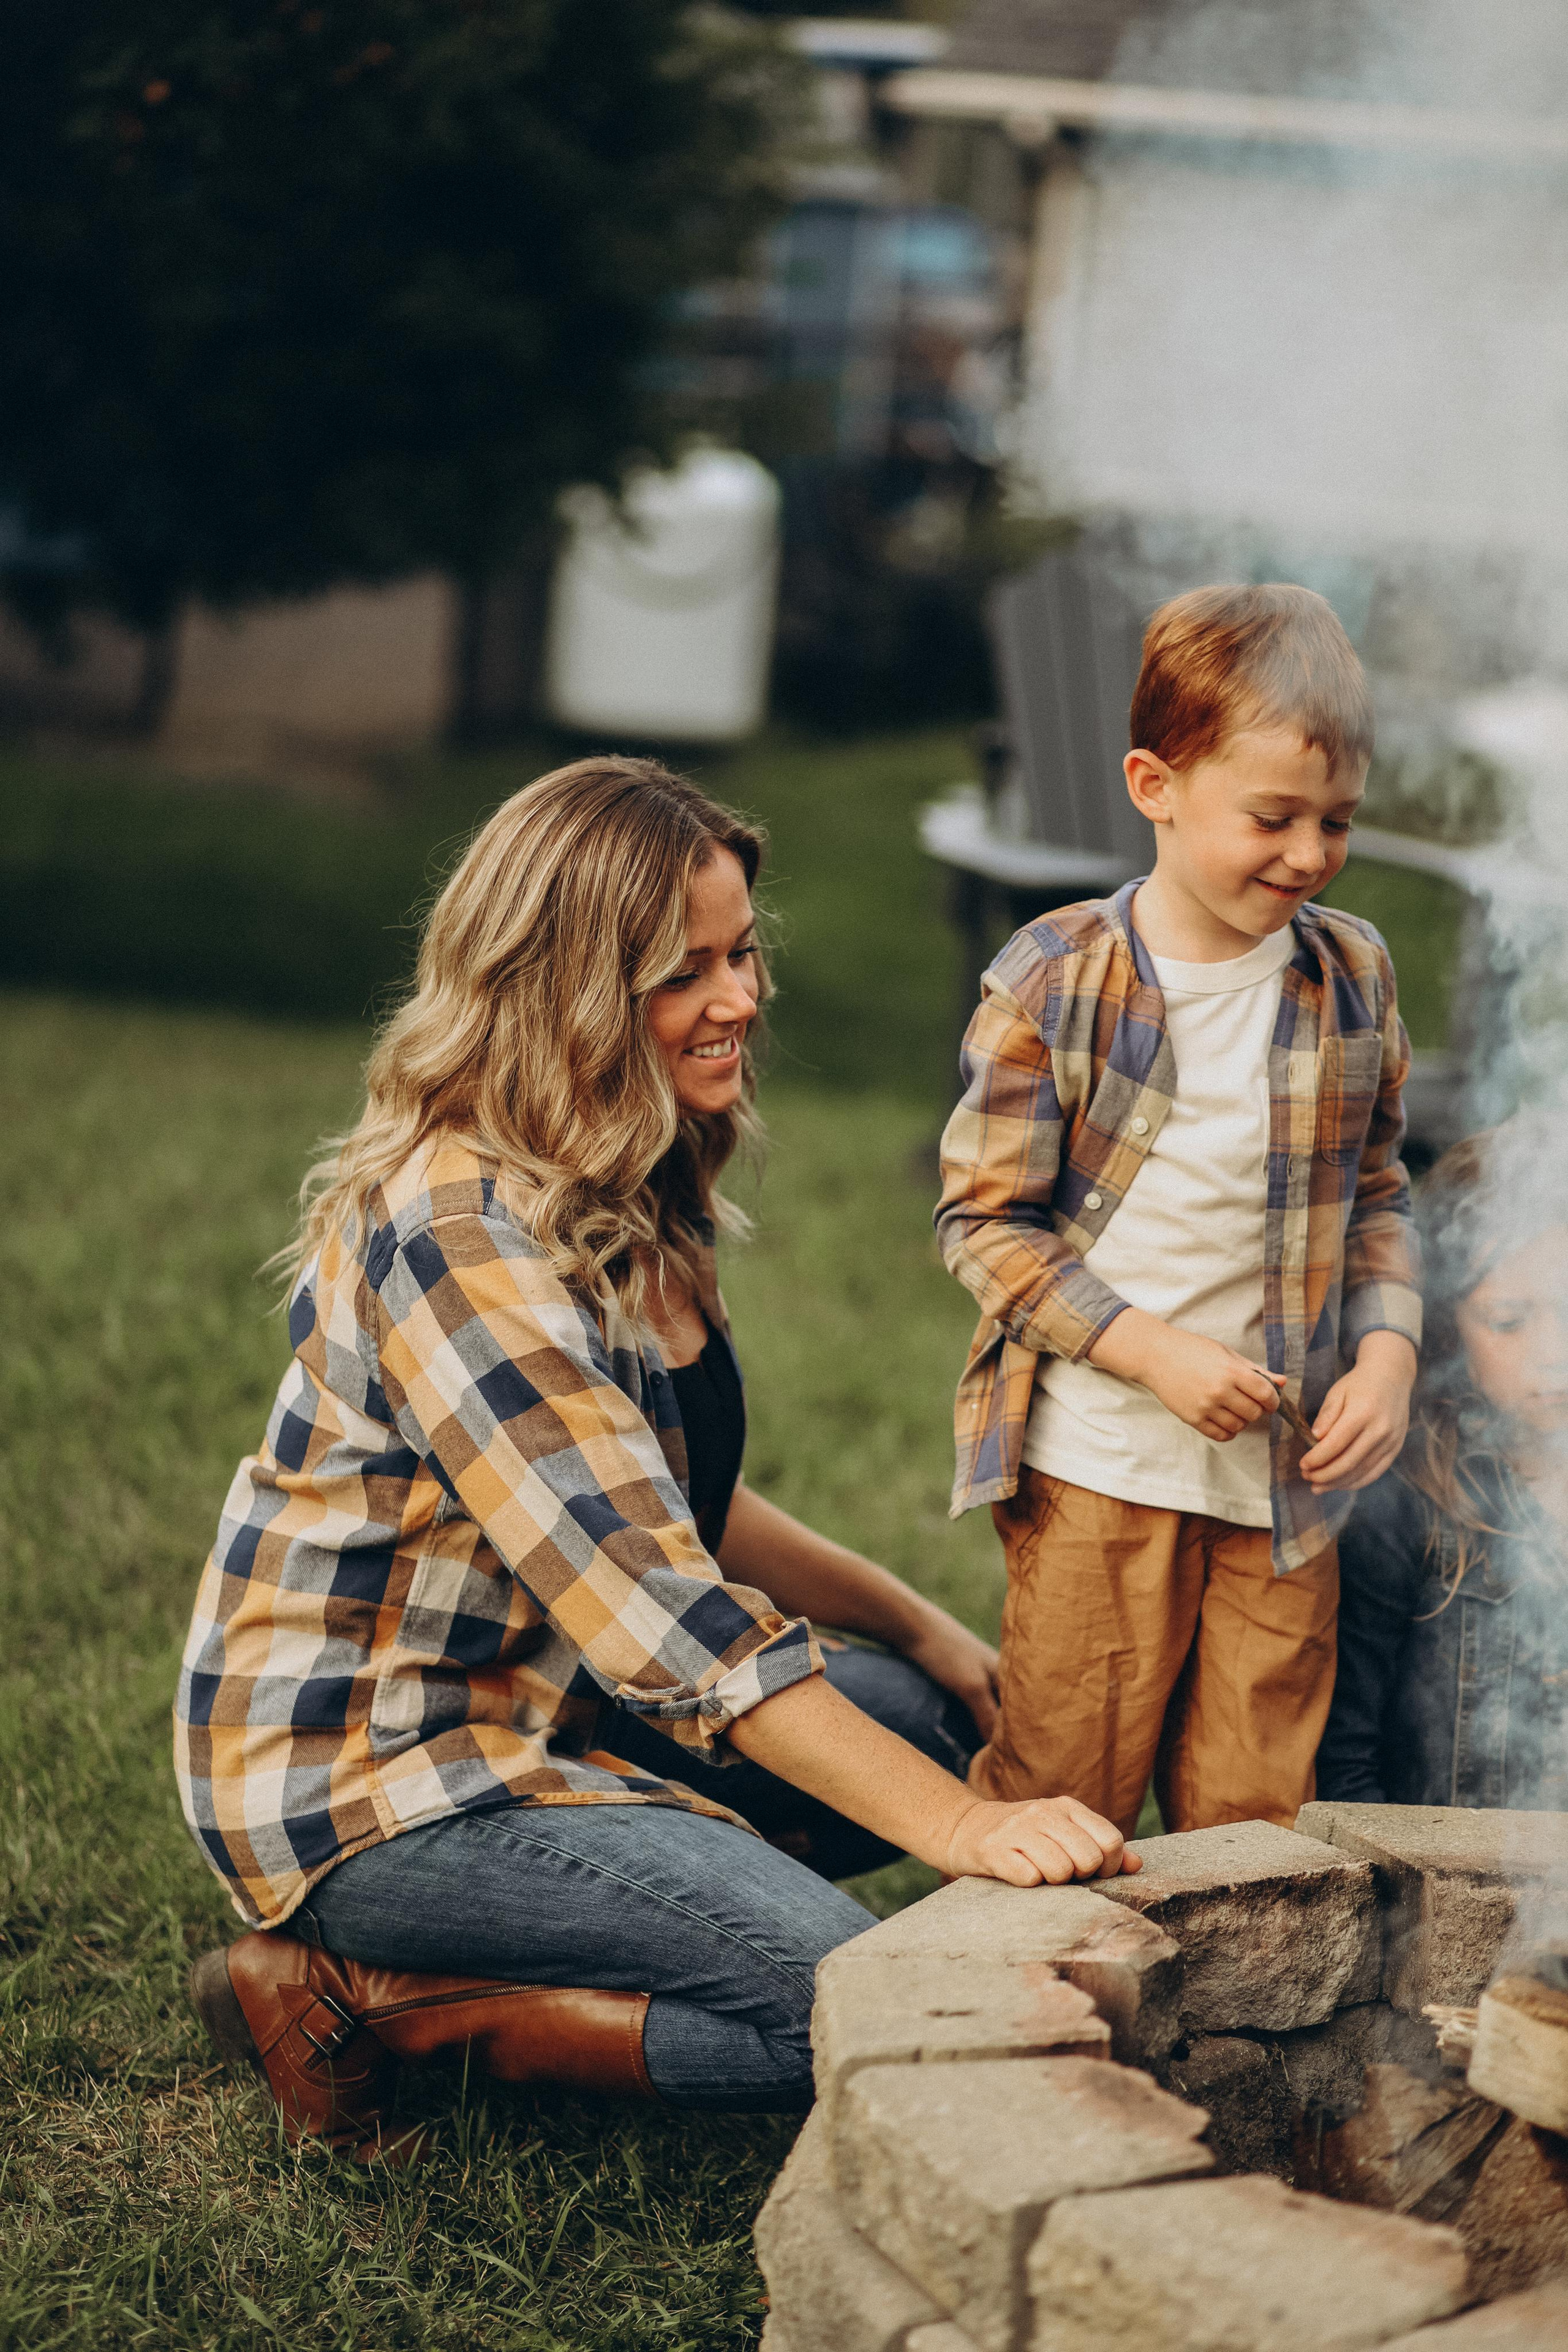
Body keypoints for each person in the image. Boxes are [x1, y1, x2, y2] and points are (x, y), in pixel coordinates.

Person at [175, 756, 1136, 2161]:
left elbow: (668, 1498)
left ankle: (633, 1903)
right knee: (873, 2001)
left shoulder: (615, 1158)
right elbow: (675, 1630)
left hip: (543, 1696)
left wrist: (922, 1629)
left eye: (742, 952)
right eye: (686, 972)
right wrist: (959, 1832)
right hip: (378, 1773)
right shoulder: (463, 1235)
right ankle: (381, 2001)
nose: (739, 998)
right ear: (565, 986)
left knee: (933, 1718)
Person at [935, 584, 1422, 1838]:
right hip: (1101, 1465)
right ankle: (1024, 2022)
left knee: (1255, 1820)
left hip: (1284, 1484)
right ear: (1154, 784)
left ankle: (1226, 2037)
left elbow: (1373, 1194)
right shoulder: (1055, 980)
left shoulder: (1349, 978)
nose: (1306, 856)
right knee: (1062, 1795)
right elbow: (984, 1226)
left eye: (1334, 824)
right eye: (1269, 818)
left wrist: (1385, 1354)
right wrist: (1149, 1351)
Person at [1317, 1123, 1568, 1809]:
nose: (1554, 1353)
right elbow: (1343, 1769)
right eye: (1511, 1322)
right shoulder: (1400, 1509)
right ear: (1448, 1326)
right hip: (1447, 1904)